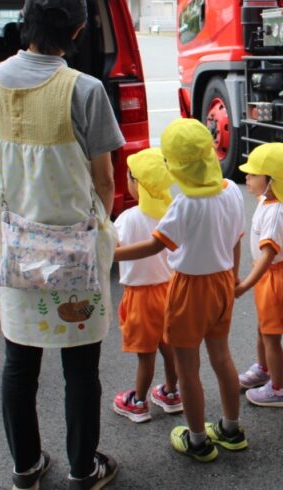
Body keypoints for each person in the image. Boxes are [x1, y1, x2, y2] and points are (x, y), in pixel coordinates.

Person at [0, 0, 124, 488]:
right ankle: (84, 468)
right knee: (80, 366)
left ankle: (26, 467)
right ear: (78, 29)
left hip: (14, 244)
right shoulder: (84, 90)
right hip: (73, 249)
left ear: (26, 20)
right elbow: (105, 178)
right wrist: (97, 227)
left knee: (20, 361)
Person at [113, 118, 247, 464]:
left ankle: (198, 439)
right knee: (222, 357)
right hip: (221, 281)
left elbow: (154, 246)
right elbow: (236, 240)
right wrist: (233, 278)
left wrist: (108, 254)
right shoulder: (231, 190)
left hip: (189, 287)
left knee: (189, 368)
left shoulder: (185, 204)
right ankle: (231, 429)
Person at [111, 148, 182, 423]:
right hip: (169, 290)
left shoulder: (127, 218)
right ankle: (171, 393)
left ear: (136, 182)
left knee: (145, 355)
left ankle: (138, 401)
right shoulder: (171, 212)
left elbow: (113, 248)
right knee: (170, 348)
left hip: (140, 296)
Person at [236, 142, 283, 408]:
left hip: (276, 277)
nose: (247, 177)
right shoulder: (268, 200)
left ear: (272, 181)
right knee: (263, 328)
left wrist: (243, 285)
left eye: (254, 174)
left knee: (271, 336)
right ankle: (264, 369)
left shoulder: (277, 212)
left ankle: (279, 390)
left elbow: (267, 257)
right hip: (270, 276)